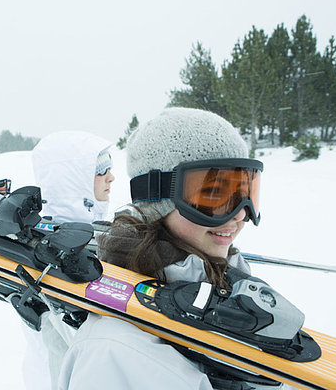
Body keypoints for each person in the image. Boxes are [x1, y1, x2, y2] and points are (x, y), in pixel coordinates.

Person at [56, 108, 284, 389]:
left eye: (244, 193)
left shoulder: (233, 286)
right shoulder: (114, 351)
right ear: (158, 199)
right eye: (214, 194)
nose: (239, 215)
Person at [22, 130, 115, 390]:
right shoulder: (53, 253)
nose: (111, 176)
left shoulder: (92, 234)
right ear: (73, 179)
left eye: (110, 166)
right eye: (101, 169)